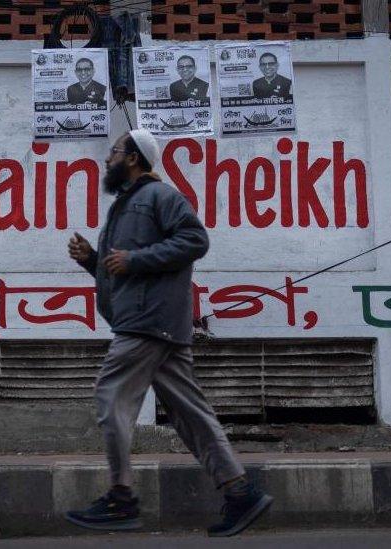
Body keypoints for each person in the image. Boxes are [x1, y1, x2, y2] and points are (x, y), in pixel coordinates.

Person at [64, 130, 273, 537]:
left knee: (110, 395)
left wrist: (136, 259)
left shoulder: (160, 197)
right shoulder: (123, 207)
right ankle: (240, 491)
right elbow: (120, 272)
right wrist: (92, 260)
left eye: (115, 152)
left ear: (135, 159)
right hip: (154, 323)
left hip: (147, 323)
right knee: (190, 414)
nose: (107, 158)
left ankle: (121, 497)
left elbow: (195, 240)